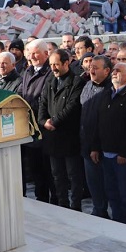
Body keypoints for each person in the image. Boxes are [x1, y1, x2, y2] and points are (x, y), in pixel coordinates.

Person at [88, 62, 126, 225]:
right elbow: (98, 123)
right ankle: (117, 223)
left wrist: (123, 153)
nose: (114, 73)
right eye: (113, 70)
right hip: (106, 154)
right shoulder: (106, 94)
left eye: (118, 71)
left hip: (123, 157)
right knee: (111, 191)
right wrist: (95, 148)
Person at [38, 49, 86, 211]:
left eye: (56, 64)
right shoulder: (50, 80)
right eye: (51, 64)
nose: (53, 68)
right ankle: (62, 204)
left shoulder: (77, 82)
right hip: (52, 137)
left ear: (66, 63)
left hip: (69, 136)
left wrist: (55, 121)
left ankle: (75, 205)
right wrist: (43, 121)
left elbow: (72, 107)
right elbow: (43, 103)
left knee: (73, 174)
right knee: (57, 175)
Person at [18, 39, 55, 203]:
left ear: (46, 54)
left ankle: (54, 202)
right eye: (30, 53)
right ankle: (41, 200)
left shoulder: (50, 73)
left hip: (45, 129)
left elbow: (46, 100)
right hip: (30, 128)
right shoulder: (28, 71)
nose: (31, 56)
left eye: (35, 53)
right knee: (36, 170)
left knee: (49, 171)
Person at [78, 55, 113, 218]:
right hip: (85, 145)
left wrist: (95, 147)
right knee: (93, 183)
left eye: (96, 68)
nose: (91, 70)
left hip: (100, 148)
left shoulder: (110, 90)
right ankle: (99, 210)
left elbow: (104, 123)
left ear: (107, 71)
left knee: (106, 183)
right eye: (91, 66)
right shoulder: (87, 86)